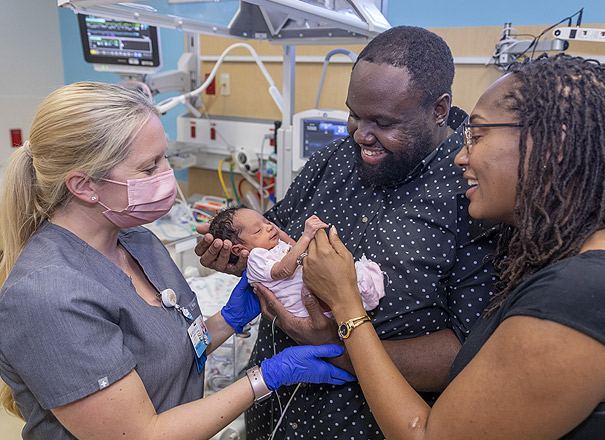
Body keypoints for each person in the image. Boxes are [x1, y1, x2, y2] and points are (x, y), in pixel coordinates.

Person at [303, 53, 605, 439]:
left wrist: (345, 303)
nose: (461, 155)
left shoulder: (581, 298)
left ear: (553, 145)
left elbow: (427, 435)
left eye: (478, 135)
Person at [0, 82, 354, 440]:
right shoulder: (48, 295)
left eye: (164, 158)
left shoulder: (139, 243)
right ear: (84, 186)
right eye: (149, 167)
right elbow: (141, 435)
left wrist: (225, 321)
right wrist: (266, 377)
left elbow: (171, 353)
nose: (167, 175)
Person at [195, 26, 498, 439]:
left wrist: (337, 346)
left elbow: (470, 355)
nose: (361, 134)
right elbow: (271, 237)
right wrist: (244, 259)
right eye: (354, 114)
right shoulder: (333, 160)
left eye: (383, 122)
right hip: (273, 418)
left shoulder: (476, 191)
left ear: (439, 109)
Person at [208, 207, 384, 317]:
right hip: (300, 307)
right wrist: (306, 235)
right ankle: (360, 293)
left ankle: (361, 289)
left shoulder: (274, 245)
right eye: (258, 230)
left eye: (266, 221)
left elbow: (294, 248)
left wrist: (284, 235)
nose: (269, 227)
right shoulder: (256, 258)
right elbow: (283, 271)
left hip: (310, 292)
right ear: (238, 250)